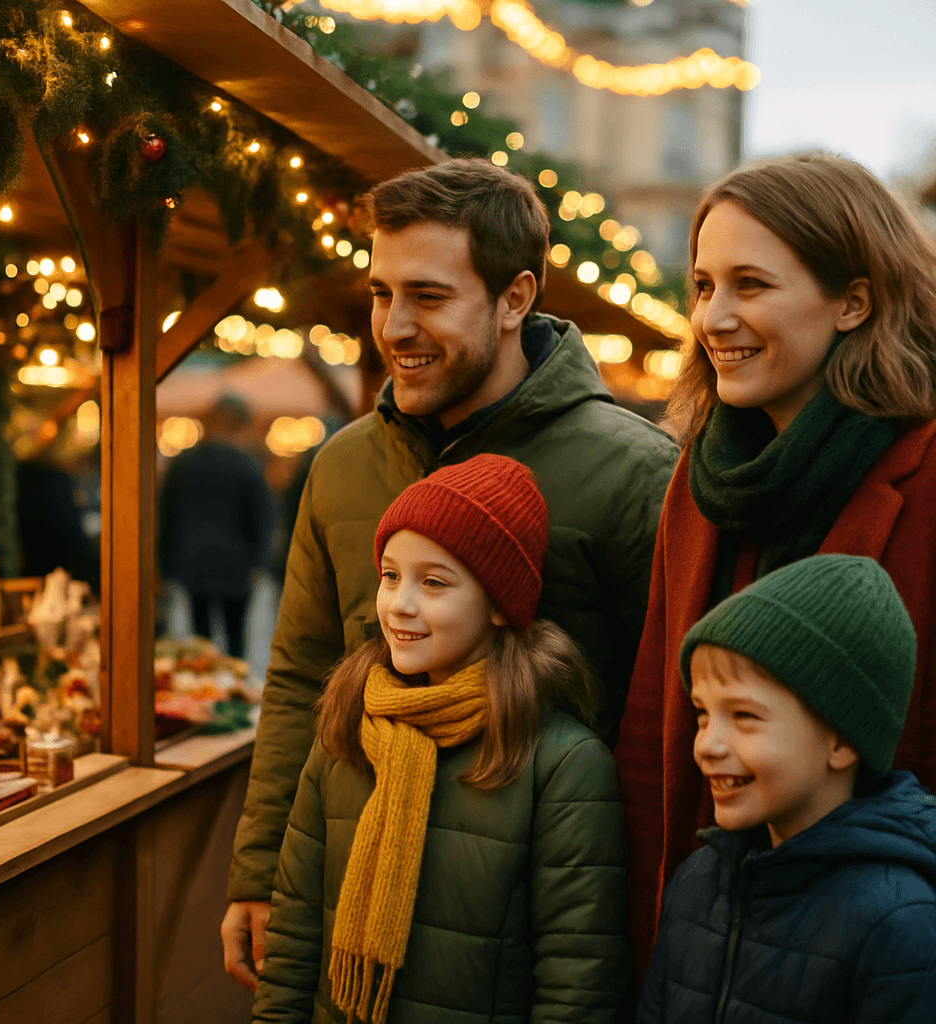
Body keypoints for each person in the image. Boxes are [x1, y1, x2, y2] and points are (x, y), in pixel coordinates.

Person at [222, 158, 677, 992]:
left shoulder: (637, 476)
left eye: (428, 298)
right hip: (355, 915)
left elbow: (663, 725)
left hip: (535, 945)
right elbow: (299, 680)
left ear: (515, 299)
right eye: (380, 293)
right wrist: (259, 871)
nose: (393, 326)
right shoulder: (342, 466)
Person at [613, 151, 936, 983]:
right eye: (703, 286)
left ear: (853, 301)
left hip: (880, 953)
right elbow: (657, 718)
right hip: (707, 937)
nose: (714, 317)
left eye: (750, 285)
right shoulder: (698, 477)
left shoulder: (927, 470)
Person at [252, 455, 631, 1024]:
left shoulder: (561, 764)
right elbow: (292, 944)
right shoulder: (348, 731)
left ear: (501, 604)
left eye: (433, 582)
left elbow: (578, 983)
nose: (401, 604)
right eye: (390, 575)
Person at [635, 555, 936, 1023]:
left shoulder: (900, 924)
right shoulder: (698, 882)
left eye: (744, 717)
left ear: (843, 740)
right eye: (701, 713)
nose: (707, 745)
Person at [157, 394, 274, 658]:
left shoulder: (182, 464)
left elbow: (166, 515)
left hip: (191, 561)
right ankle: (233, 692)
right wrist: (259, 562)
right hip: (236, 564)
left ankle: (204, 687)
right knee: (236, 638)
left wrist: (164, 566)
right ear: (238, 425)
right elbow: (262, 518)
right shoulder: (246, 465)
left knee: (201, 638)